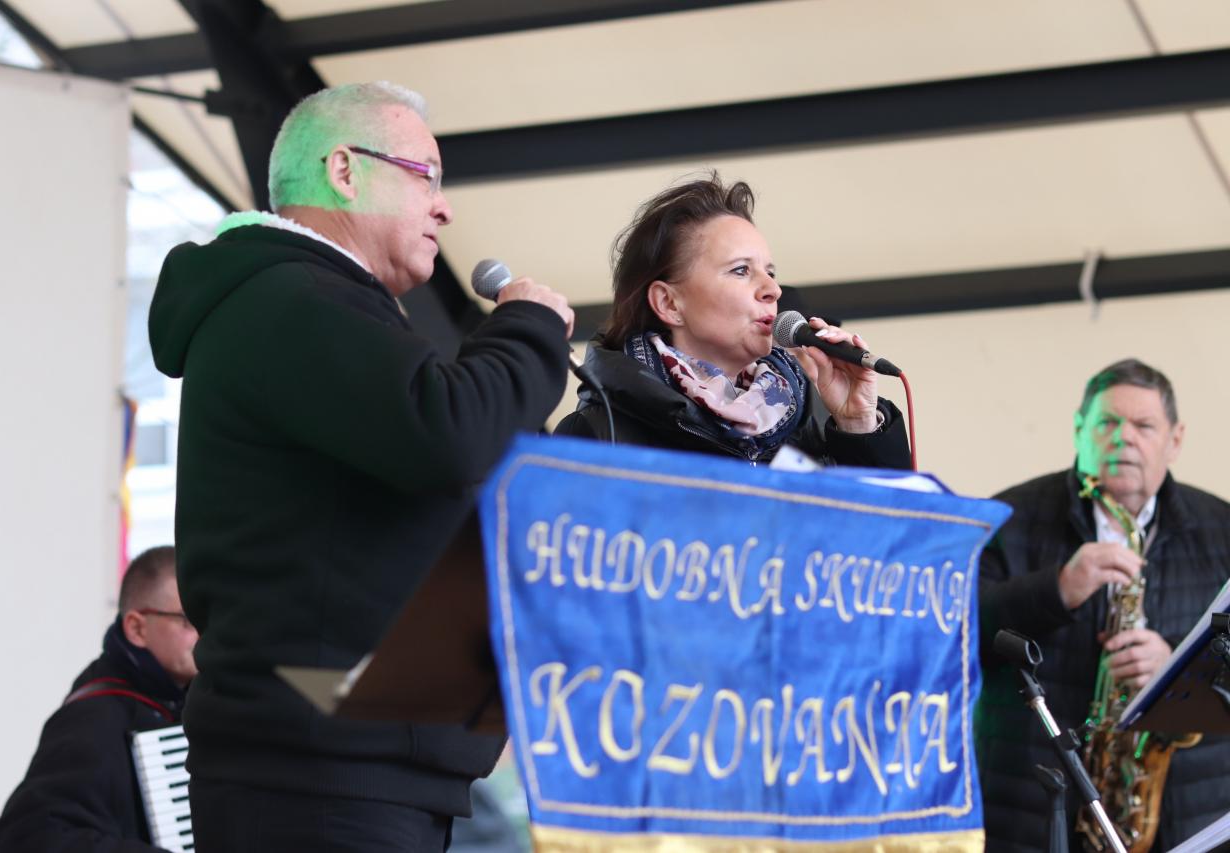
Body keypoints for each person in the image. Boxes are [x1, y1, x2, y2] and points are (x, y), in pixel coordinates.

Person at [147, 82, 573, 852]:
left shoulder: (311, 305)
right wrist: (527, 329)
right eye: (426, 176)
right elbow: (446, 432)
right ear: (344, 171)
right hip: (321, 776)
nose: (444, 208)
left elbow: (456, 459)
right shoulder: (291, 299)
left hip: (357, 764)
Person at [977, 359, 1230, 852]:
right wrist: (1056, 590)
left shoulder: (1222, 528)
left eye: (1143, 426)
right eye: (1108, 423)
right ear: (1079, 429)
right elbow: (956, 633)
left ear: (1175, 439)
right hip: (1033, 812)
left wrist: (1176, 666)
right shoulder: (1008, 516)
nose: (1124, 438)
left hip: (1186, 816)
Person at [555, 173, 910, 471]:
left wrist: (857, 426)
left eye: (770, 272)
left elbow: (895, 531)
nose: (773, 289)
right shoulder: (600, 435)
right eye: (741, 270)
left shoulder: (809, 422)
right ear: (669, 303)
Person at [0, 546, 195, 852]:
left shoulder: (191, 705)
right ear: (137, 628)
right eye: (187, 620)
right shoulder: (93, 718)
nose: (204, 634)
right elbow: (32, 836)